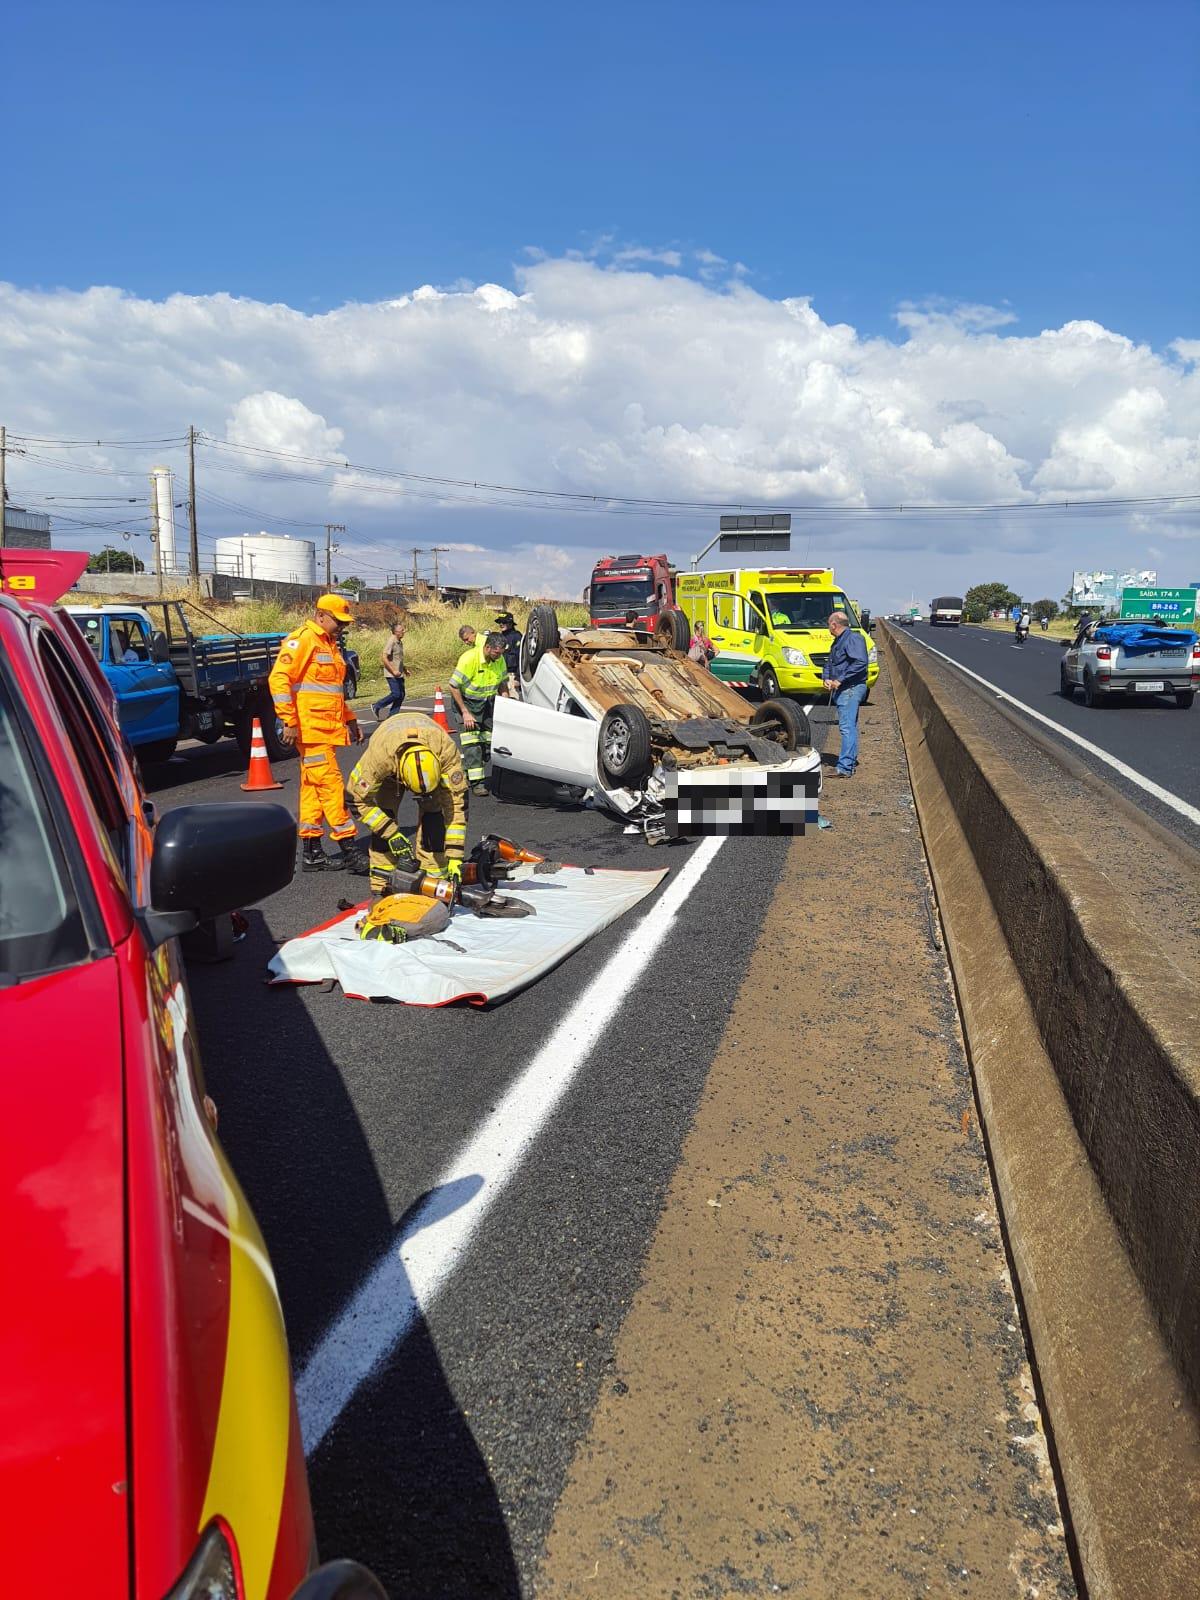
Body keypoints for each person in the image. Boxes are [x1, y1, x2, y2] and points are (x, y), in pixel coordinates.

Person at [269, 594, 365, 872]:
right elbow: (279, 678)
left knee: (312, 788)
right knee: (331, 786)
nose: (342, 627)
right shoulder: (304, 640)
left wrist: (351, 719)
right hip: (311, 732)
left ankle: (312, 852)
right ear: (321, 615)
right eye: (339, 621)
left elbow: (332, 692)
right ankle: (349, 848)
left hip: (326, 729)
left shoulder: (330, 644)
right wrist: (288, 720)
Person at [346, 712, 469, 895]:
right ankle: (383, 887)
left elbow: (457, 808)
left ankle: (434, 880)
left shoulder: (446, 753)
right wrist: (391, 834)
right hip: (390, 774)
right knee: (384, 818)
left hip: (430, 752)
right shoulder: (379, 759)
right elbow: (354, 798)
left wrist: (455, 857)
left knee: (433, 820)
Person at [449, 631, 508, 794]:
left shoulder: (499, 659)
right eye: (496, 652)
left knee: (489, 744)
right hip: (467, 705)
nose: (499, 656)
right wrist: (465, 713)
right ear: (487, 647)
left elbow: (502, 683)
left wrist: (506, 701)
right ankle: (477, 784)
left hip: (487, 705)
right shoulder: (469, 659)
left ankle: (469, 770)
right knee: (472, 744)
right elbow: (453, 686)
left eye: (501, 653)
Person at [821, 610, 869, 778]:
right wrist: (826, 678)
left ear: (834, 624)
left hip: (851, 688)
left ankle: (844, 767)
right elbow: (830, 663)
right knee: (850, 727)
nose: (828, 627)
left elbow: (861, 662)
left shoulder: (853, 639)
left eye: (829, 624)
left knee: (847, 727)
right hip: (844, 688)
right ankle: (848, 763)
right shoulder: (837, 642)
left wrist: (840, 679)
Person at [372, 616, 408, 721]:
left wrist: (404, 669)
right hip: (391, 673)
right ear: (396, 632)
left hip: (399, 673)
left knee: (401, 695)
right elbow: (384, 657)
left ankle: (393, 715)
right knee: (396, 693)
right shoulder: (391, 641)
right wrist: (393, 671)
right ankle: (377, 705)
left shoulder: (399, 641)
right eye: (402, 630)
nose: (404, 632)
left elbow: (398, 658)